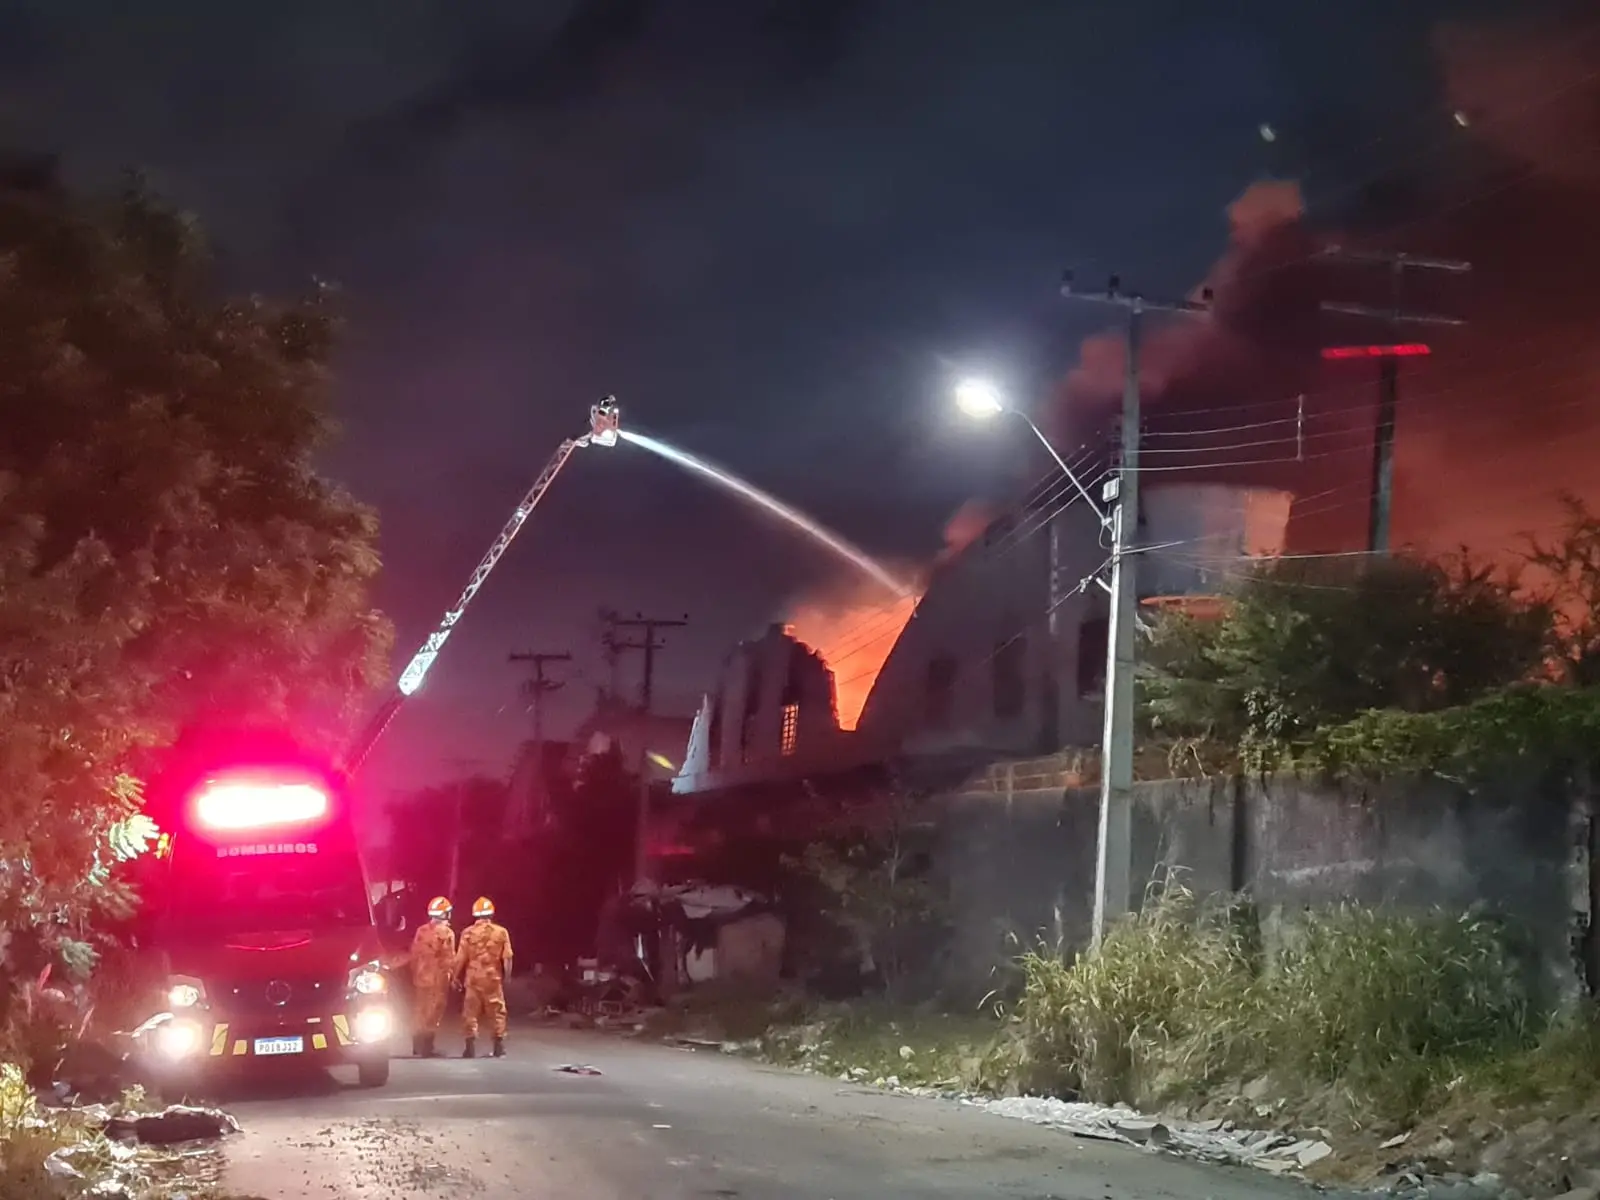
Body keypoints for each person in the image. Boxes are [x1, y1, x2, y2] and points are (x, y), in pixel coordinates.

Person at [452, 895, 513, 1058]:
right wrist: (507, 976)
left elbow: (460, 958)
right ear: (491, 914)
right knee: (497, 1011)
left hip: (472, 979)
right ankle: (499, 1046)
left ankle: (469, 1047)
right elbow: (507, 957)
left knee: (470, 1012)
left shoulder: (467, 933)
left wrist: (454, 977)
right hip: (493, 978)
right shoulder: (501, 932)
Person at [407, 895, 456, 1058]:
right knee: (434, 1011)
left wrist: (415, 972)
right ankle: (428, 1047)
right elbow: (448, 958)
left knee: (420, 1009)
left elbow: (414, 954)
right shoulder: (447, 933)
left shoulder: (421, 931)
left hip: (420, 977)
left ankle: (416, 1045)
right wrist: (453, 977)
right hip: (437, 979)